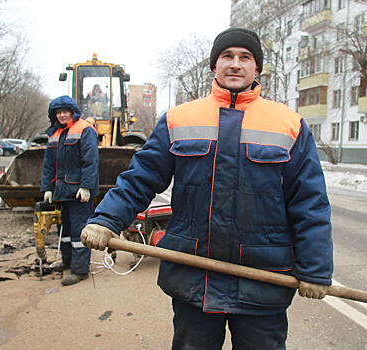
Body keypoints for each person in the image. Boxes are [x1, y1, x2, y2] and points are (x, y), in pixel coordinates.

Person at [81, 27, 333, 349]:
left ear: (257, 68)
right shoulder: (179, 119)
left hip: (263, 278)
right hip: (193, 275)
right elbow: (141, 178)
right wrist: (106, 219)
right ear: (215, 65)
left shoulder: (288, 124)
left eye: (245, 57)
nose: (235, 64)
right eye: (227, 56)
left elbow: (309, 203)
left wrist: (315, 269)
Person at [41, 95, 99, 286]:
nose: (62, 115)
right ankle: (67, 262)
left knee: (79, 231)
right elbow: (49, 164)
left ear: (72, 112)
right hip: (61, 191)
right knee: (64, 231)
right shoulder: (54, 133)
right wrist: (47, 188)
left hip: (78, 192)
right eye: (58, 112)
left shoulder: (85, 129)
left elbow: (90, 161)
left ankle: (80, 270)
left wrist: (86, 187)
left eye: (65, 112)